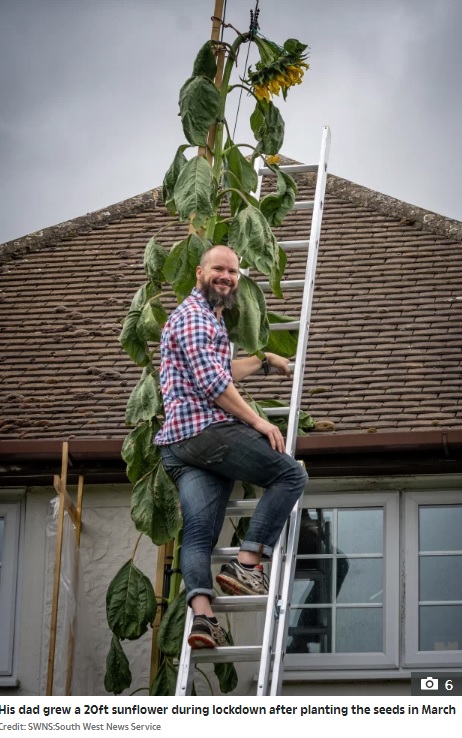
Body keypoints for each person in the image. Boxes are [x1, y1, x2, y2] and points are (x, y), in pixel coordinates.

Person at [155, 244, 308, 649]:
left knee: (199, 534)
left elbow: (219, 369)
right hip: (204, 433)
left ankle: (203, 621)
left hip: (181, 446)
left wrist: (263, 361)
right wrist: (257, 420)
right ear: (199, 274)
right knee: (290, 474)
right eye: (218, 269)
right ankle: (248, 563)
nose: (226, 276)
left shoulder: (208, 319)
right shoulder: (193, 317)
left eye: (233, 272)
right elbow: (214, 385)